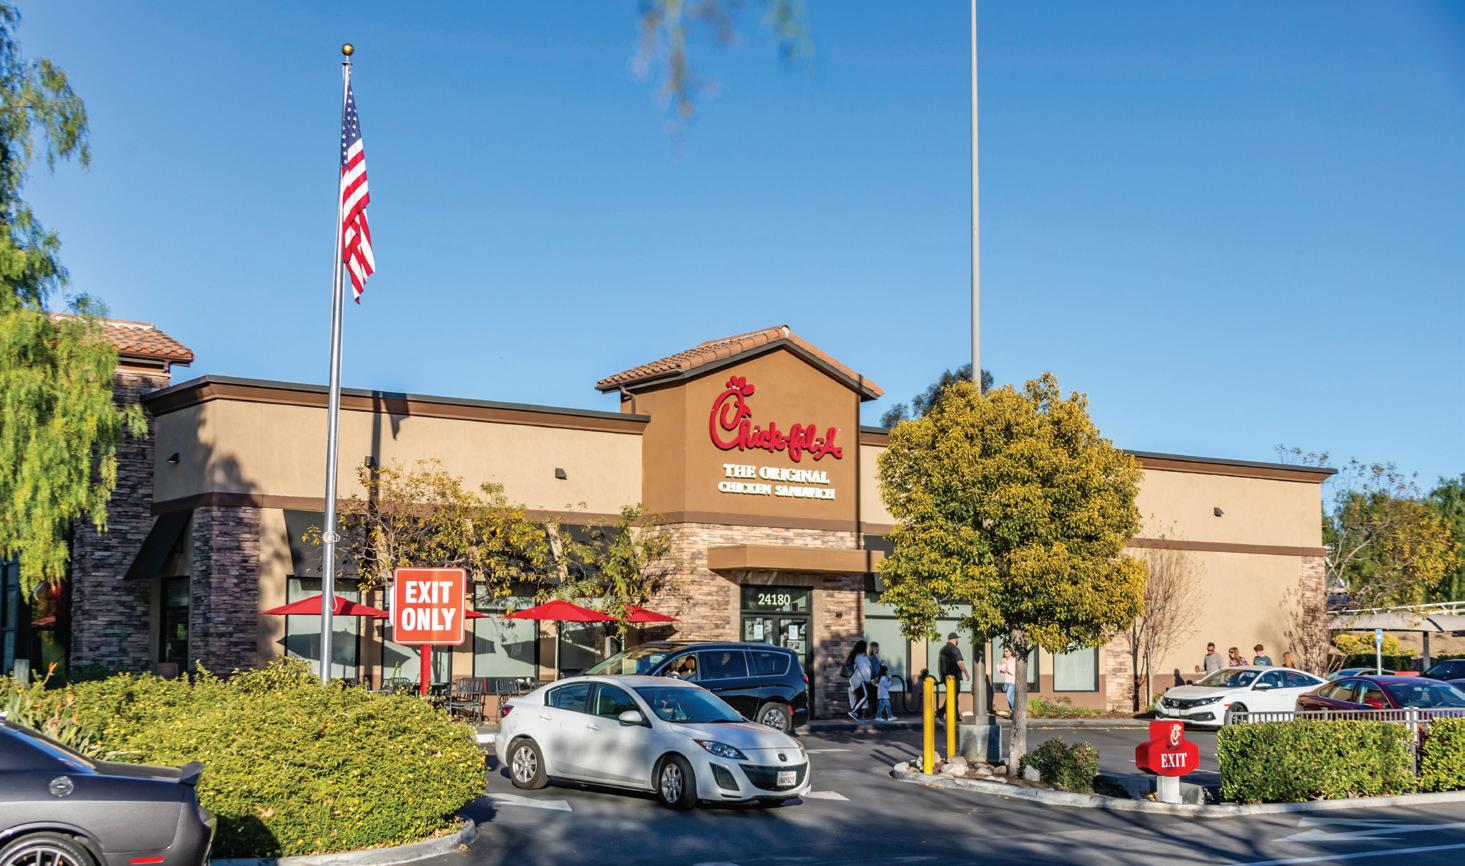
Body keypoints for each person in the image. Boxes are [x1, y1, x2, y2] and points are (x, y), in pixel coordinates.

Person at [936, 633, 967, 725]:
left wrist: (942, 677)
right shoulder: (954, 649)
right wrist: (966, 673)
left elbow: (940, 664)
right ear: (954, 639)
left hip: (946, 677)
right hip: (954, 677)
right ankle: (941, 711)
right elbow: (959, 662)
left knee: (954, 696)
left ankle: (955, 716)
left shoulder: (943, 650)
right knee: (953, 696)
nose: (957, 641)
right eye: (957, 639)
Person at [845, 640, 871, 721]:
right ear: (863, 648)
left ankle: (858, 716)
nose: (867, 649)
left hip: (857, 680)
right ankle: (853, 712)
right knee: (864, 696)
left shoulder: (859, 657)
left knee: (860, 697)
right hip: (860, 680)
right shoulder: (860, 657)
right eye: (866, 647)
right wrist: (868, 680)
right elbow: (864, 670)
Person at [865, 641, 882, 720]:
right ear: (873, 648)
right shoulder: (873, 658)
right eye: (877, 647)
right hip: (874, 680)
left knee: (871, 698)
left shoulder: (868, 657)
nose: (878, 649)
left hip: (870, 680)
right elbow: (876, 670)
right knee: (873, 698)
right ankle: (876, 714)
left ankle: (875, 714)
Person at [998, 647, 1017, 716]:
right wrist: (1003, 669)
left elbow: (1011, 671)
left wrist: (1004, 668)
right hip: (1006, 681)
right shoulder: (1003, 660)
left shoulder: (1014, 660)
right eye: (1004, 651)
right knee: (1009, 698)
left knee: (1008, 696)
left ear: (1011, 652)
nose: (1005, 653)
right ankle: (1012, 712)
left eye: (1007, 651)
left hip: (1012, 681)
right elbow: (998, 668)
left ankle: (1015, 711)